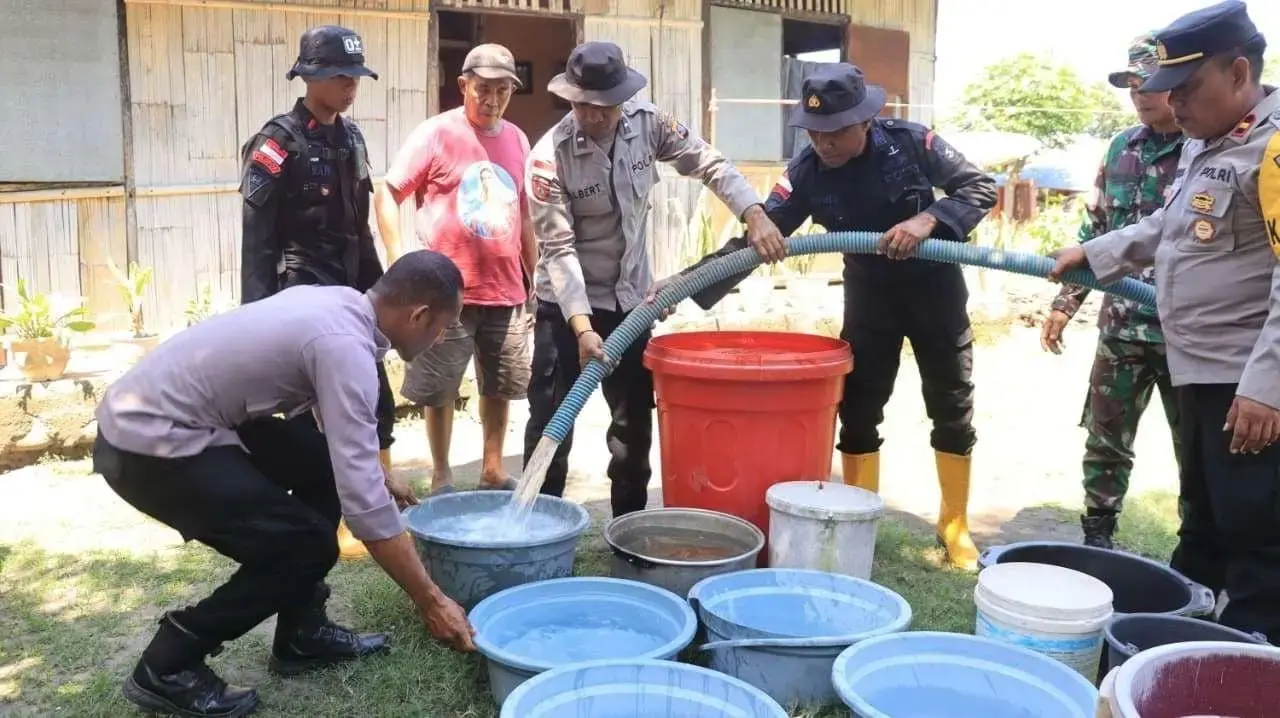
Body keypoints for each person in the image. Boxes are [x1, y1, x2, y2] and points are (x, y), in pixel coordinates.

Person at [92, 251, 476, 718]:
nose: (440, 339)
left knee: (323, 465)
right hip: (147, 443)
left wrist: (376, 473)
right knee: (305, 547)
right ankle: (168, 664)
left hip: (180, 420)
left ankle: (301, 633)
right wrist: (431, 600)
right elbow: (366, 510)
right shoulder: (344, 346)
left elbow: (339, 432)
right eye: (442, 327)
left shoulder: (339, 304)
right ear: (418, 314)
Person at [653, 63, 997, 570]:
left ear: (865, 122)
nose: (824, 143)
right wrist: (686, 282)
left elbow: (981, 188)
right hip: (870, 296)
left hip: (935, 290)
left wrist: (929, 219)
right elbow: (757, 240)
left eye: (835, 132)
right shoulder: (805, 173)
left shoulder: (912, 143)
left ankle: (955, 524)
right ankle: (861, 518)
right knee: (858, 411)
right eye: (814, 132)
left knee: (951, 403)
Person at [1050, 0, 1280, 641]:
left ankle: (1253, 656)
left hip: (1247, 384)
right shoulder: (1210, 141)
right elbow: (1169, 224)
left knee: (1257, 536)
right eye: (1166, 89)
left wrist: (1267, 387)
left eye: (1186, 88)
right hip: (1201, 371)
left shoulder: (1274, 148)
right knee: (1203, 520)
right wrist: (1097, 253)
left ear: (1238, 73)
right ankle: (1178, 640)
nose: (1172, 103)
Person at [523, 41, 785, 518]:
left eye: (604, 106)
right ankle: (537, 531)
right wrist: (582, 328)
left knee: (632, 430)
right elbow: (558, 250)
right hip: (566, 310)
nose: (593, 116)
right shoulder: (548, 158)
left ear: (623, 98)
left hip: (631, 304)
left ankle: (628, 529)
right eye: (582, 105)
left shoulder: (650, 124)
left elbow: (708, 162)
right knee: (551, 421)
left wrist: (754, 213)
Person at [239, 25, 396, 560]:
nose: (350, 85)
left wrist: (381, 294)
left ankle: (370, 504)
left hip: (350, 296)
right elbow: (257, 241)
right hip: (300, 298)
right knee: (313, 416)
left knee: (373, 399)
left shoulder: (352, 139)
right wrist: (256, 319)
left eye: (355, 76)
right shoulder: (277, 144)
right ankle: (326, 516)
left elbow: (361, 229)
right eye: (339, 76)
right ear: (309, 76)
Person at [1040, 34, 1185, 550]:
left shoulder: (1204, 147)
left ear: (1177, 85)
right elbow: (1095, 230)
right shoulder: (1122, 148)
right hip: (1122, 326)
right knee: (1105, 440)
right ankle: (1097, 534)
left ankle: (1199, 546)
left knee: (1196, 447)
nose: (1139, 96)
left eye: (1148, 85)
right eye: (1131, 86)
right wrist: (1065, 304)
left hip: (1186, 332)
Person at [375, 43, 536, 495]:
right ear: (464, 85)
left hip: (506, 288)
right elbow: (388, 193)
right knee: (439, 388)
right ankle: (442, 473)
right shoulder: (436, 134)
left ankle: (491, 469)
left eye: (502, 90)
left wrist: (534, 272)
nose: (492, 99)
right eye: (483, 89)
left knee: (500, 385)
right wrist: (401, 263)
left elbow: (524, 214)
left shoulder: (518, 139)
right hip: (445, 293)